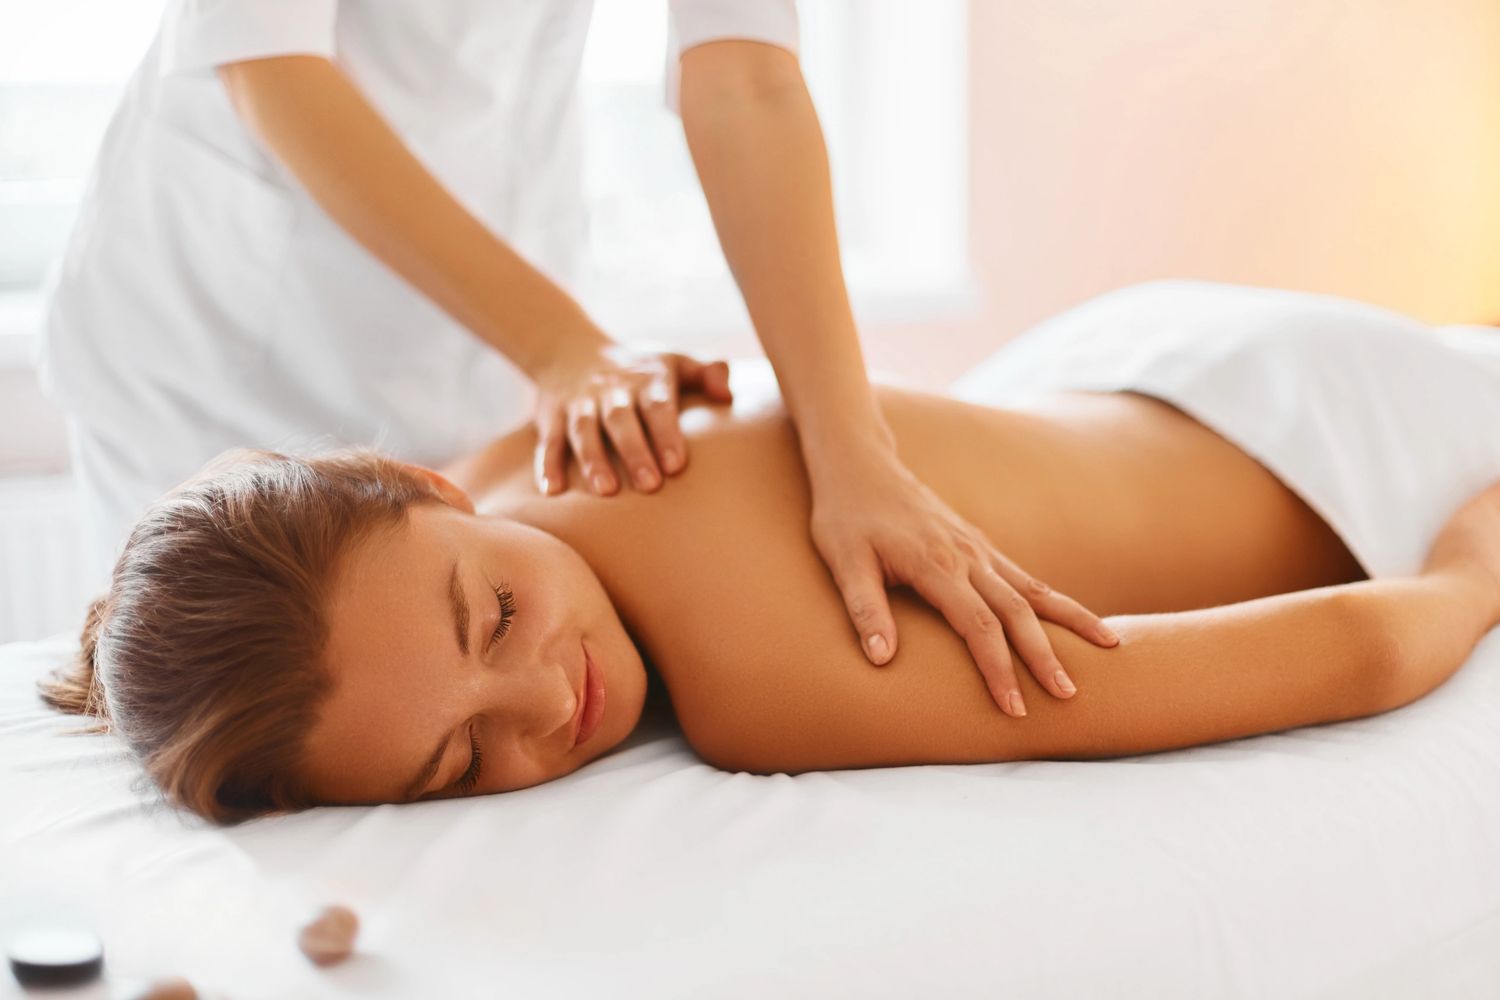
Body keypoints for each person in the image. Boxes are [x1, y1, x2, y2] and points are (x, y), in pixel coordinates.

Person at [39, 281, 1500, 822]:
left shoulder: (766, 684)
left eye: (496, 619)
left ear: (425, 486)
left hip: (1338, 445)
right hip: (1142, 346)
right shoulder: (537, 447)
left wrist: (1471, 568)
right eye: (459, 764)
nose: (544, 705)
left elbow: (1361, 645)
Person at [36, 0, 1103, 685]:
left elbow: (746, 79)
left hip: (468, 318)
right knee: (214, 713)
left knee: (437, 708)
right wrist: (564, 349)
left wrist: (856, 454)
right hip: (215, 323)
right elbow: (271, 68)